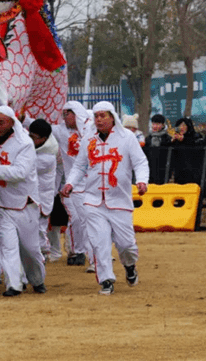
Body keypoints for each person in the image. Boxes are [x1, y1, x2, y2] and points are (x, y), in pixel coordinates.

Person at [62, 102, 149, 295]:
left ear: (112, 117)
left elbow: (140, 162)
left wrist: (142, 181)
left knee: (126, 245)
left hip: (119, 200)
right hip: (93, 201)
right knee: (99, 242)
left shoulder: (127, 137)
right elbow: (79, 166)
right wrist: (70, 183)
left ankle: (129, 266)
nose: (99, 119)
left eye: (103, 115)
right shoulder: (88, 139)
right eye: (96, 116)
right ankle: (106, 280)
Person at [0, 105, 46, 297]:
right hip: (2, 203)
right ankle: (14, 284)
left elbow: (20, 172)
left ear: (12, 122)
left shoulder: (24, 143)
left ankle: (37, 280)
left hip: (24, 203)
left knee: (30, 249)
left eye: (2, 122)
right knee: (7, 246)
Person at [51, 101, 94, 268]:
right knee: (79, 219)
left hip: (93, 184)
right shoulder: (60, 131)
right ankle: (81, 253)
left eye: (66, 114)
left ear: (76, 113)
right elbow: (37, 126)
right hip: (72, 186)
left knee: (88, 220)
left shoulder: (91, 130)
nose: (64, 117)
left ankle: (88, 253)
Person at [28, 119, 59, 264]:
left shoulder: (48, 156)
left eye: (33, 137)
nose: (30, 139)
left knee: (39, 228)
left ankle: (43, 253)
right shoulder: (38, 147)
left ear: (43, 139)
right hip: (30, 196)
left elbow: (26, 168)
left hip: (41, 198)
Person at [171, 117, 203, 184]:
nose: (181, 128)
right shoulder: (176, 140)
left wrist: (184, 139)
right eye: (179, 126)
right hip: (179, 172)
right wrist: (171, 142)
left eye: (184, 125)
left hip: (194, 172)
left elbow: (198, 145)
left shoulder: (196, 136)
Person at [144, 114, 172, 184]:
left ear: (163, 125)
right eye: (153, 124)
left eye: (158, 124)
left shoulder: (168, 139)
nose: (155, 126)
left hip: (163, 169)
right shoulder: (148, 139)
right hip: (150, 169)